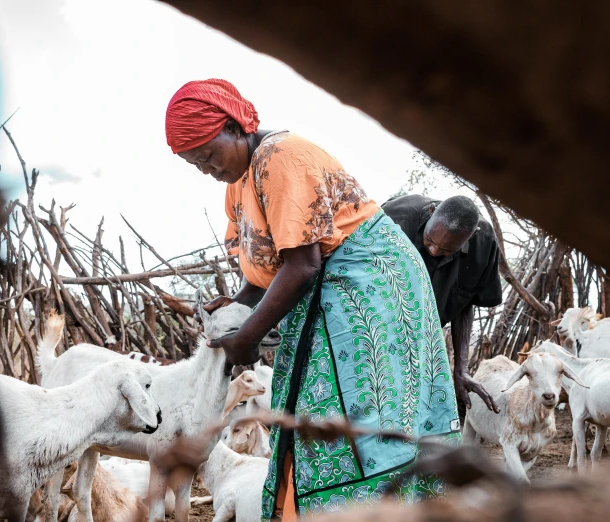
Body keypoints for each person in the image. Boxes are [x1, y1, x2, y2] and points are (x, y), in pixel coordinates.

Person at [165, 79, 461, 520]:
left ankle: (377, 509)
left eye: (208, 154)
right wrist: (237, 304)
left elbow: (303, 264)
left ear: (235, 126)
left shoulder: (281, 158)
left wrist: (248, 335)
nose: (206, 168)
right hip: (328, 286)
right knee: (312, 402)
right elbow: (272, 264)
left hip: (370, 287)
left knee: (361, 410)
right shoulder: (240, 180)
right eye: (195, 164)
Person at [381, 194, 503, 417]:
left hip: (426, 344)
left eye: (447, 250)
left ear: (469, 238)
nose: (435, 252)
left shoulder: (483, 243)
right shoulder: (393, 219)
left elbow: (465, 303)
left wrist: (460, 369)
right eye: (430, 240)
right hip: (378, 333)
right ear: (430, 214)